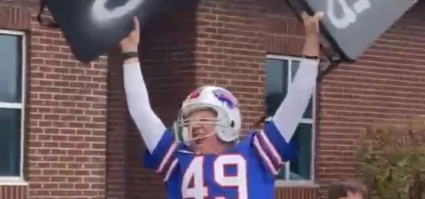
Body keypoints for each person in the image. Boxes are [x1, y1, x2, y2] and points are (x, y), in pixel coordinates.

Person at [121, 12, 323, 198]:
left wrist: (312, 43)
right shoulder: (177, 160)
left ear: (227, 122)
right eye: (190, 121)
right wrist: (130, 54)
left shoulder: (257, 154)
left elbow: (296, 101)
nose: (194, 126)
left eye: (202, 118)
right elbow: (141, 112)